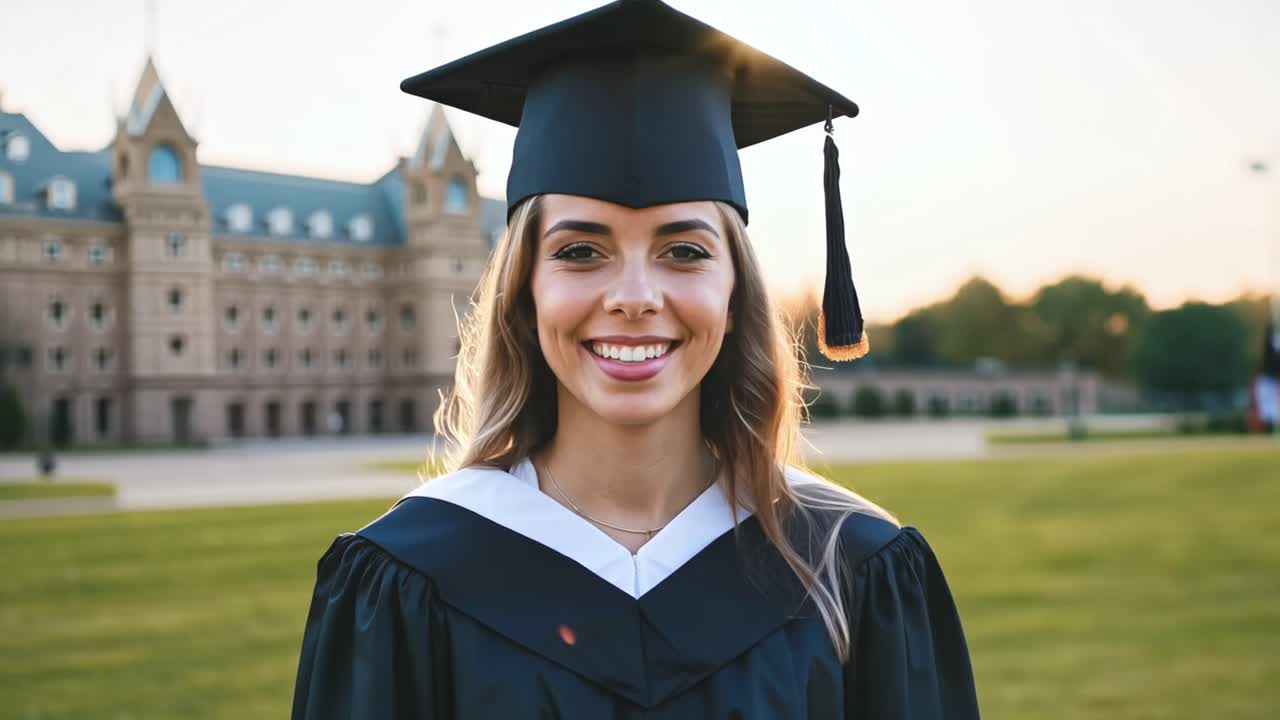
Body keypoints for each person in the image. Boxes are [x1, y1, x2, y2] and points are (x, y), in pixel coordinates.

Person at [291, 1, 980, 717]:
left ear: (736, 288)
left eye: (684, 251)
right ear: (523, 289)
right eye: (580, 251)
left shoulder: (853, 568)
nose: (634, 296)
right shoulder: (408, 578)